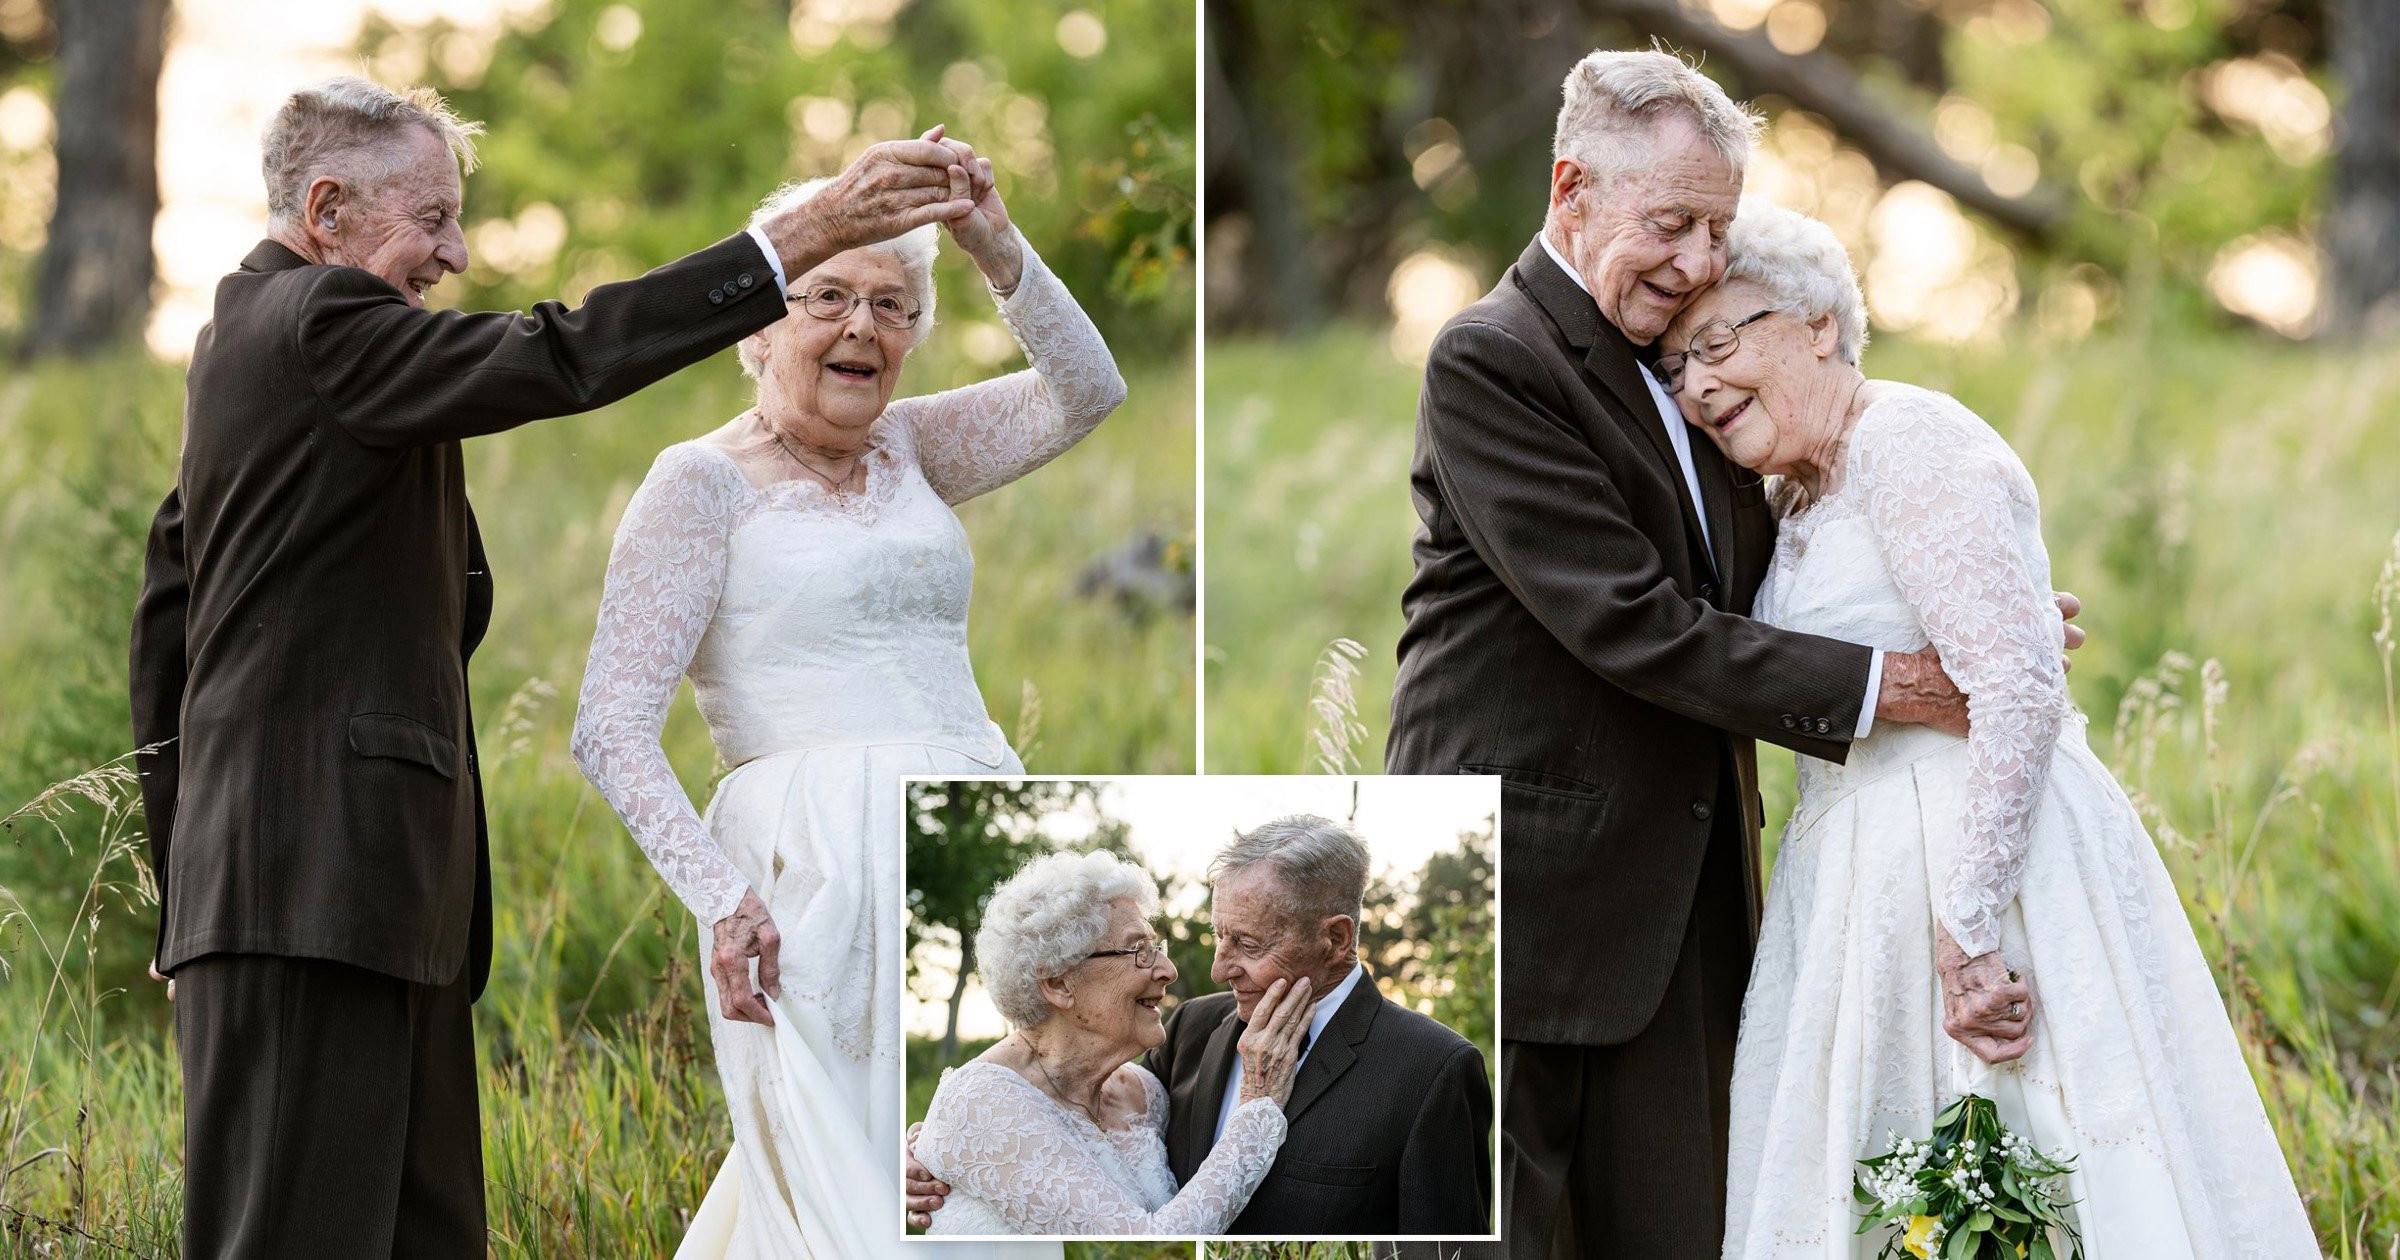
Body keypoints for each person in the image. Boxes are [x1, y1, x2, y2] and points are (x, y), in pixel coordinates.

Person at [127, 75, 976, 1259]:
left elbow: (169, 617)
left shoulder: (262, 359)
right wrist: (803, 236)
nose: (456, 252)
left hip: (367, 893)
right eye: (430, 219)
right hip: (301, 887)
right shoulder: (311, 324)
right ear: (326, 208)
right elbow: (559, 356)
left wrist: (188, 893)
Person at [1379, 50, 2075, 1258]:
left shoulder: (1684, 369)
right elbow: (1627, 621)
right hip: (1514, 893)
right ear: (1571, 188)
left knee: (1691, 1230)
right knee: (1496, 1234)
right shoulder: (1493, 359)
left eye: (1717, 229)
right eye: (1672, 224)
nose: (1699, 262)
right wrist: (1891, 684)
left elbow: (1774, 578)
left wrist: (1960, 603)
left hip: (1692, 894)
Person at [1664, 200, 2320, 1259]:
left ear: (1817, 324)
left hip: (1978, 872)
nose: (1696, 385)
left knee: (2033, 1172)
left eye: (1718, 343)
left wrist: (1969, 933)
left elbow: (2017, 685)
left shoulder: (1904, 437)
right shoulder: (1793, 505)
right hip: (1850, 886)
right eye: (1676, 365)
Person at [568, 149, 1127, 1256]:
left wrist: (993, 243)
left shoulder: (913, 447)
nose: (862, 326)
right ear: (755, 330)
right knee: (846, 1208)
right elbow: (610, 726)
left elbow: (1087, 390)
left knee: (983, 1206)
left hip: (974, 844)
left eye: (892, 305)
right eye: (826, 295)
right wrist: (722, 901)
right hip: (807, 880)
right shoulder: (699, 483)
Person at [910, 816, 1494, 1244]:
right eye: (1220, 936)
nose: (1212, 969)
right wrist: (932, 1149)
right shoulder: (1194, 1028)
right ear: (1059, 984)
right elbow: (1022, 1133)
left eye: (1248, 943)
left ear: (1336, 940)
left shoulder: (1432, 1070)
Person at [913, 850, 1314, 1236]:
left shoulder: (1143, 1094)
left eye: (1157, 948)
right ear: (1057, 982)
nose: (1168, 970)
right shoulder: (981, 1103)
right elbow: (1146, 1239)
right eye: (1139, 951)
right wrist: (1258, 1110)